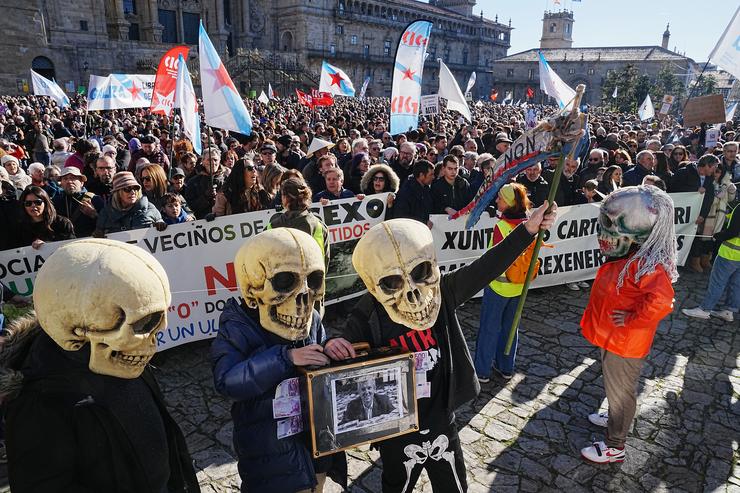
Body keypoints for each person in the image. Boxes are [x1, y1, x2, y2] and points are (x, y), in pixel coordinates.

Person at [324, 205, 556, 493]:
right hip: (397, 429)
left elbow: (485, 268)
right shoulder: (368, 313)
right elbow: (342, 350)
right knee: (396, 486)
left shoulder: (441, 293)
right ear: (375, 285)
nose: (411, 292)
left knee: (454, 486)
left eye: (420, 272)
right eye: (392, 282)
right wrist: (331, 345)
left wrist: (528, 231)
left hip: (441, 418)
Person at [2, 239, 199, 492]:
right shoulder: (40, 404)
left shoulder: (123, 357)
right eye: (141, 324)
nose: (158, 332)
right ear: (76, 328)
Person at [211, 229, 344, 493]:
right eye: (285, 282)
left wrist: (330, 346)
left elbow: (317, 346)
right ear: (252, 289)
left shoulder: (311, 317)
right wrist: (284, 358)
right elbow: (227, 381)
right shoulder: (237, 326)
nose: (304, 299)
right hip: (272, 452)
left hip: (315, 443)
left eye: (314, 281)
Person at [580, 186, 677, 464]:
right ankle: (613, 418)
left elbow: (661, 301)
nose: (605, 233)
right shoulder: (630, 257)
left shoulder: (647, 266)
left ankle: (615, 445)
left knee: (621, 392)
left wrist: (633, 319)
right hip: (615, 337)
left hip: (626, 342)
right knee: (614, 388)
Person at [473, 183, 532, 381]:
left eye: (500, 198)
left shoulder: (502, 226)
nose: (497, 200)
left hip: (498, 287)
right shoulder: (530, 224)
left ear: (508, 203)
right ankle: (506, 367)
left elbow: (496, 259)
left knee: (489, 329)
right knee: (510, 329)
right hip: (519, 287)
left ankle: (481, 371)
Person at [682, 198, 740, 322]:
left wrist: (717, 236)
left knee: (717, 282)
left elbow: (733, 231)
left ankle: (705, 309)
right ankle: (729, 311)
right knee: (736, 285)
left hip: (730, 254)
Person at [669, 154, 718, 272]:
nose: (715, 170)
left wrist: (703, 215)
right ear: (706, 165)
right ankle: (671, 262)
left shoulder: (709, 177)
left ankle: (693, 262)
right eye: (713, 167)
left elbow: (709, 198)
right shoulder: (684, 173)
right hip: (681, 214)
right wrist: (694, 191)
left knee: (695, 238)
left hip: (697, 215)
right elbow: (672, 190)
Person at [268, 177, 329, 268]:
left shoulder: (272, 227)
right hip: (314, 280)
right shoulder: (319, 226)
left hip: (282, 281)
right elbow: (325, 261)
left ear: (285, 198)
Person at [94, 172, 166, 236]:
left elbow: (161, 225)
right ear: (117, 193)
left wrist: (160, 225)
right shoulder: (105, 213)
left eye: (135, 188)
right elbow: (99, 238)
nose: (133, 192)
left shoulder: (149, 208)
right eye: (127, 189)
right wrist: (98, 234)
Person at [9, 186, 75, 249]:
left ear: (46, 203)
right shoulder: (19, 227)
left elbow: (72, 246)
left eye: (38, 202)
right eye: (28, 203)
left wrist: (47, 246)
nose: (33, 206)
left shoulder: (62, 223)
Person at [52, 166, 105, 238]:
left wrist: (94, 214)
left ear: (82, 182)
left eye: (73, 178)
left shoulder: (94, 199)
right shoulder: (55, 202)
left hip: (89, 243)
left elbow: (108, 224)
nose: (69, 181)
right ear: (61, 183)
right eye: (65, 179)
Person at [181, 147, 226, 219]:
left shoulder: (227, 178)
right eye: (209, 160)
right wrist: (205, 197)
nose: (213, 163)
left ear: (219, 160)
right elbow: (189, 207)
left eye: (215, 160)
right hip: (203, 221)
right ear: (203, 161)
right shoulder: (193, 181)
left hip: (226, 219)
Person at [393, 160, 435, 226]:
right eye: (431, 174)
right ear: (421, 175)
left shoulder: (427, 189)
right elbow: (401, 216)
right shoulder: (406, 192)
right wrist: (423, 223)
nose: (433, 177)